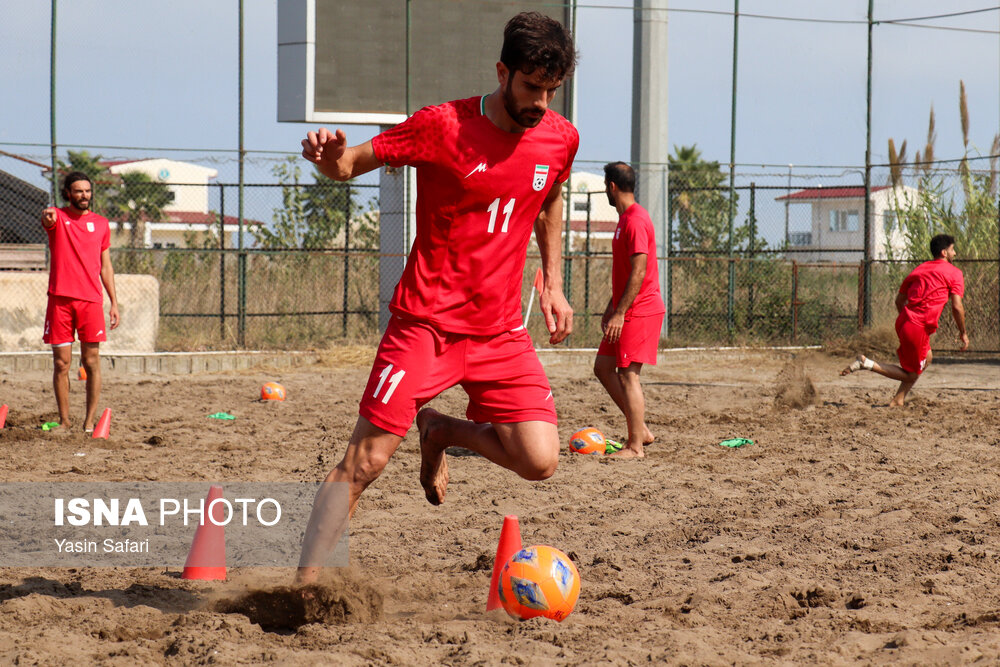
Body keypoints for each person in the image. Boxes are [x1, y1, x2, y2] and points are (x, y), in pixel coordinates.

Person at [295, 12, 578, 582]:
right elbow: (350, 164)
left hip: (500, 332)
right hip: (425, 325)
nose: (541, 103)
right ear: (502, 72)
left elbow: (548, 197)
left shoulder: (561, 137)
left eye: (552, 90)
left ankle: (442, 430)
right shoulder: (442, 125)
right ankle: (300, 583)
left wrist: (552, 279)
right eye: (530, 87)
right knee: (367, 461)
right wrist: (331, 157)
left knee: (540, 460)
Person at [841, 233, 967, 406]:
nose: (955, 253)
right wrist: (963, 333)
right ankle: (866, 364)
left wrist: (908, 321)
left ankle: (898, 399)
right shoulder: (954, 273)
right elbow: (957, 307)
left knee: (927, 357)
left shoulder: (920, 269)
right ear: (944, 253)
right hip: (917, 327)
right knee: (912, 374)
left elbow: (899, 300)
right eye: (953, 250)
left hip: (904, 322)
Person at [592, 162, 665, 459]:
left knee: (628, 375)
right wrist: (611, 307)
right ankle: (641, 430)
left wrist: (620, 312)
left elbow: (639, 270)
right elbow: (624, 273)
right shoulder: (625, 219)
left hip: (640, 310)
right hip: (625, 308)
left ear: (611, 186)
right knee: (603, 367)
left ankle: (635, 447)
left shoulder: (635, 219)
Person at [40, 172, 120, 432]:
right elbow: (48, 217)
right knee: (62, 363)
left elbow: (105, 267)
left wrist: (114, 303)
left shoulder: (101, 224)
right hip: (60, 301)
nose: (84, 195)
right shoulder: (58, 217)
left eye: (87, 191)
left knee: (91, 362)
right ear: (68, 193)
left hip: (91, 302)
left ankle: (88, 423)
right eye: (78, 191)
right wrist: (47, 216)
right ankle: (64, 422)